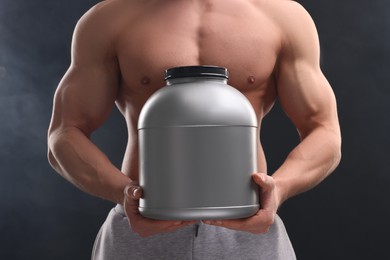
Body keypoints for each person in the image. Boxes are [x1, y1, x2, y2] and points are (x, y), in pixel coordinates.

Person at [47, 0, 341, 259]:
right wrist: (122, 191)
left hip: (249, 226)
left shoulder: (283, 17)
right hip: (142, 225)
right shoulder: (110, 18)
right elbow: (65, 133)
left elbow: (323, 130)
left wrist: (280, 189)